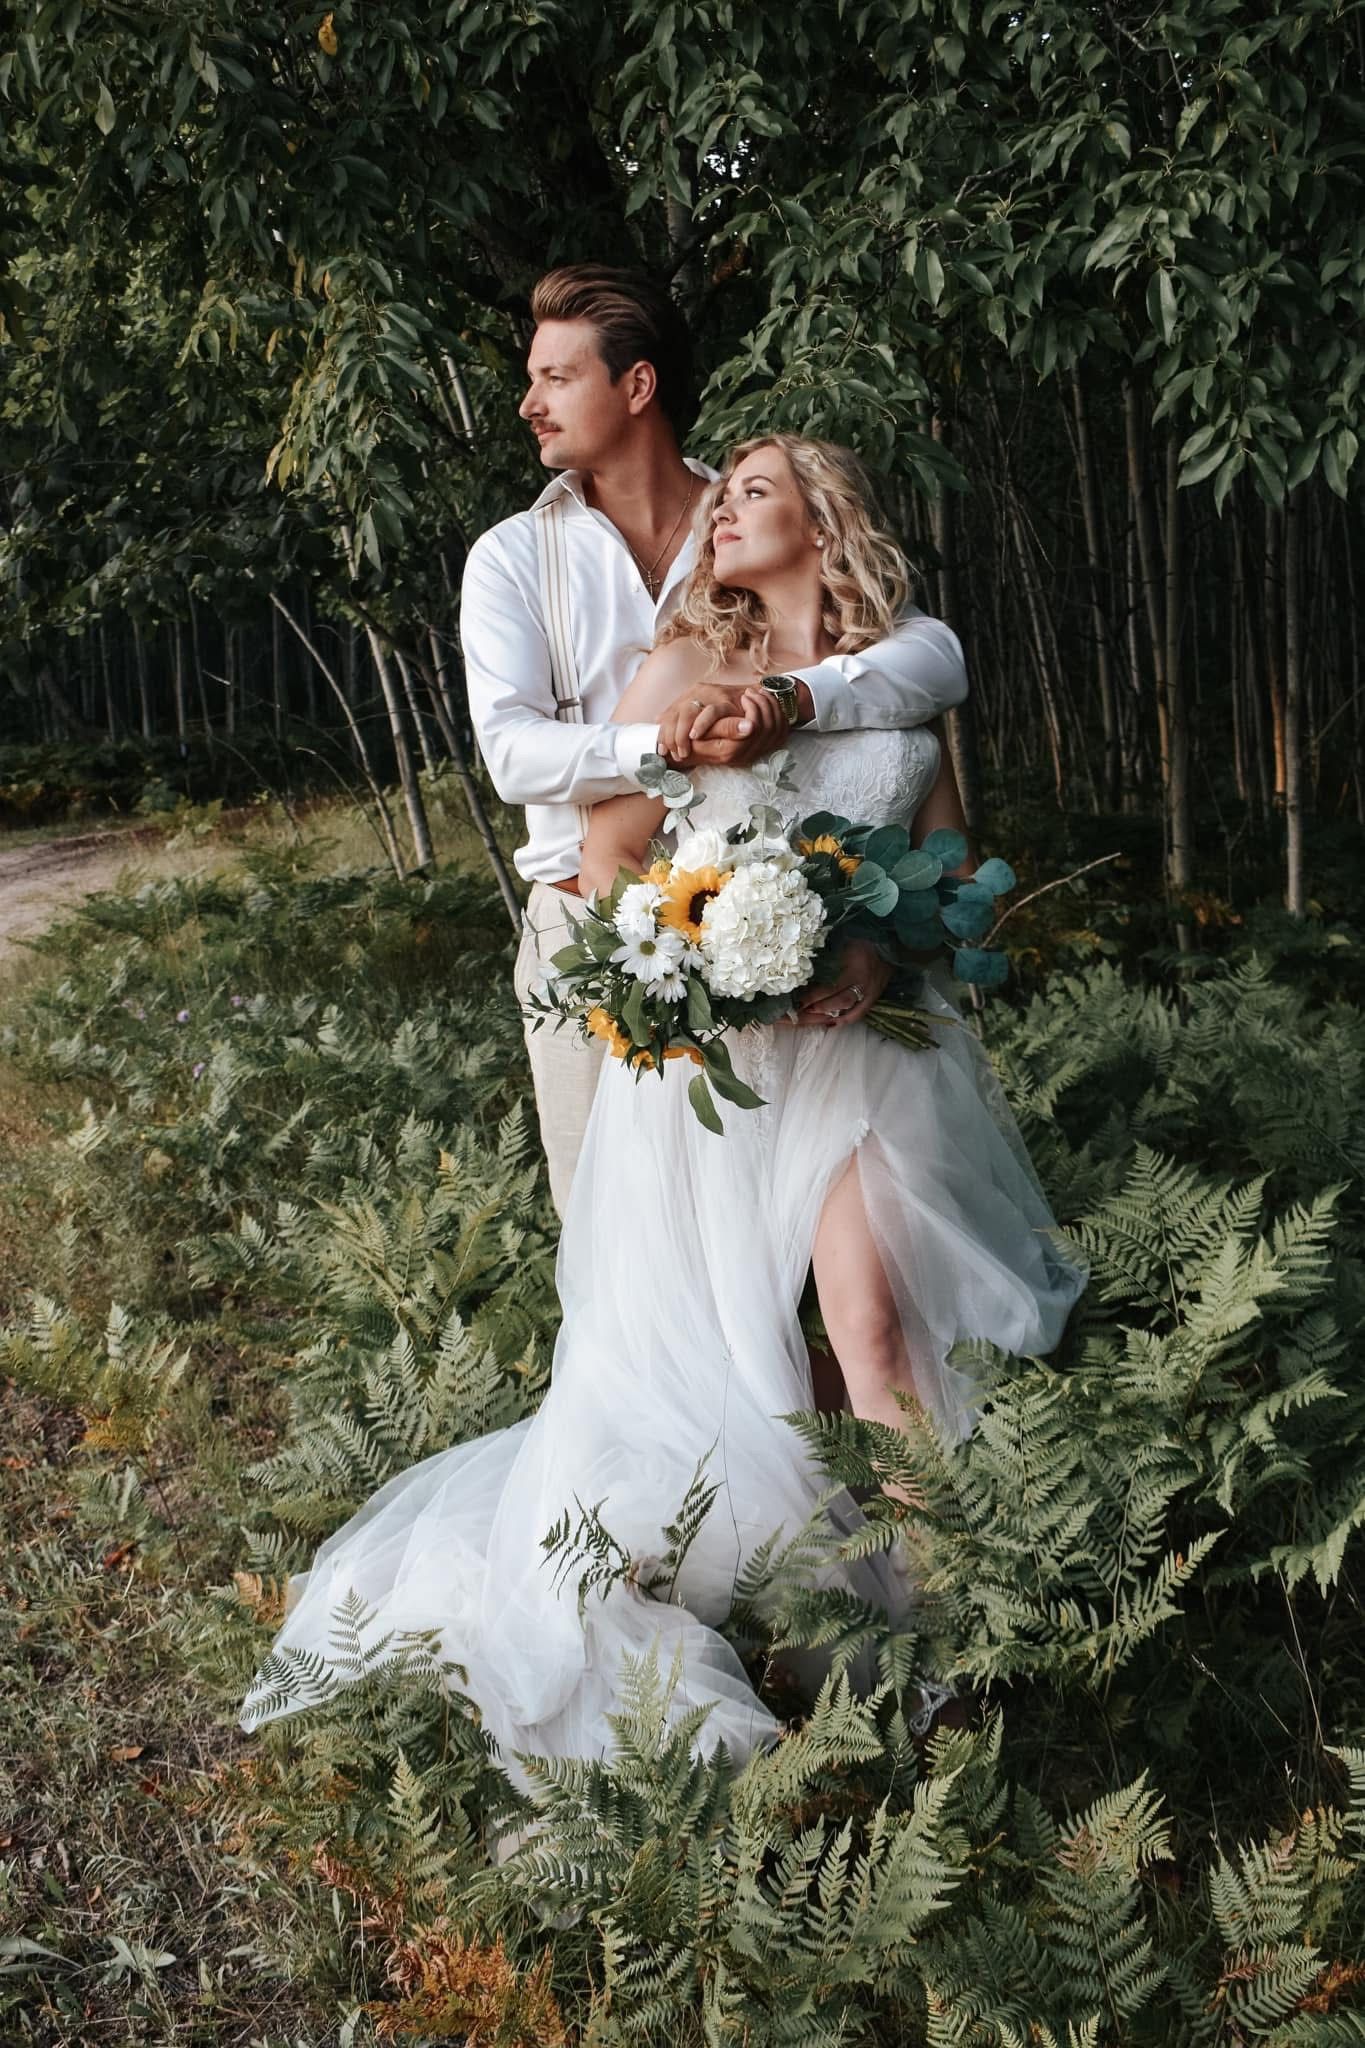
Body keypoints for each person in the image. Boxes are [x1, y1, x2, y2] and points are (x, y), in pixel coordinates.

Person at [241, 433, 1086, 1786]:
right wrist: (697, 963)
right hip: (720, 1073)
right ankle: (796, 1596)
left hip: (868, 1058)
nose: (722, 514)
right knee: (737, 1358)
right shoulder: (689, 667)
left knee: (875, 1332)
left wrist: (879, 948)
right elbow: (610, 859)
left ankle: (957, 1650)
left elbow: (953, 862)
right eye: (726, 496)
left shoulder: (900, 677)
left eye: (752, 492)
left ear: (825, 520)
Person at [460, 263, 969, 1215]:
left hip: (795, 924)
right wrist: (672, 744)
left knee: (808, 1250)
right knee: (618, 1234)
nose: (528, 405)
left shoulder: (752, 514)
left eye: (555, 378)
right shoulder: (513, 555)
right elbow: (511, 756)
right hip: (590, 920)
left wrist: (782, 698)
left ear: (636, 386)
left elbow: (925, 662)